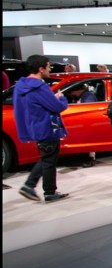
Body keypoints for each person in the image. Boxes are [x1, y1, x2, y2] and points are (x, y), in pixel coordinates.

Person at [13, 54, 69, 203]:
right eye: (48, 66)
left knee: (47, 158)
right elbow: (57, 107)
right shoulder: (39, 86)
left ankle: (48, 191)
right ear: (41, 69)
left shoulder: (21, 86)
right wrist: (61, 98)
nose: (50, 69)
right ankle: (31, 186)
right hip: (47, 127)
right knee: (48, 159)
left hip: (34, 126)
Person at [66, 83, 99, 166]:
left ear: (78, 90)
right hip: (84, 121)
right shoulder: (82, 96)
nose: (71, 94)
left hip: (89, 122)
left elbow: (88, 110)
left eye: (71, 92)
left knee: (86, 137)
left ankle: (90, 158)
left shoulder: (88, 96)